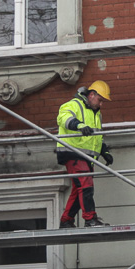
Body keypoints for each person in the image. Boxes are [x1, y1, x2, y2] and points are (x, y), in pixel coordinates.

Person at [56, 80, 114, 228]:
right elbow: (63, 118)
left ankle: (66, 220)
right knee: (86, 185)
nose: (101, 104)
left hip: (86, 156)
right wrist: (79, 126)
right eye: (100, 100)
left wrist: (104, 151)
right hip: (73, 152)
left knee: (79, 189)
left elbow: (97, 136)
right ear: (92, 95)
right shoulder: (74, 104)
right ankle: (90, 219)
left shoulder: (96, 114)